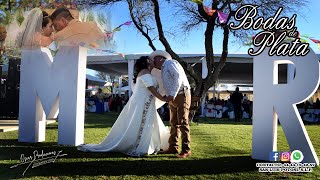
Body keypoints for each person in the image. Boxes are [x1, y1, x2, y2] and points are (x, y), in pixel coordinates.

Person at [78, 56, 170, 157]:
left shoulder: (147, 73)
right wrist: (163, 99)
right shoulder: (144, 72)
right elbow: (151, 89)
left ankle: (151, 143)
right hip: (142, 102)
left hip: (146, 101)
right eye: (151, 60)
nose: (153, 61)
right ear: (147, 63)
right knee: (141, 122)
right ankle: (140, 145)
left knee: (147, 122)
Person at [150, 50, 192, 158]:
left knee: (182, 122)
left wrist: (172, 94)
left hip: (182, 94)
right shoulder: (165, 68)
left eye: (154, 61)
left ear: (159, 59)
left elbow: (178, 77)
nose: (153, 63)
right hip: (175, 96)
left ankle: (186, 150)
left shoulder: (170, 63)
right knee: (174, 123)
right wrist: (168, 96)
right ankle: (173, 147)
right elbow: (170, 83)